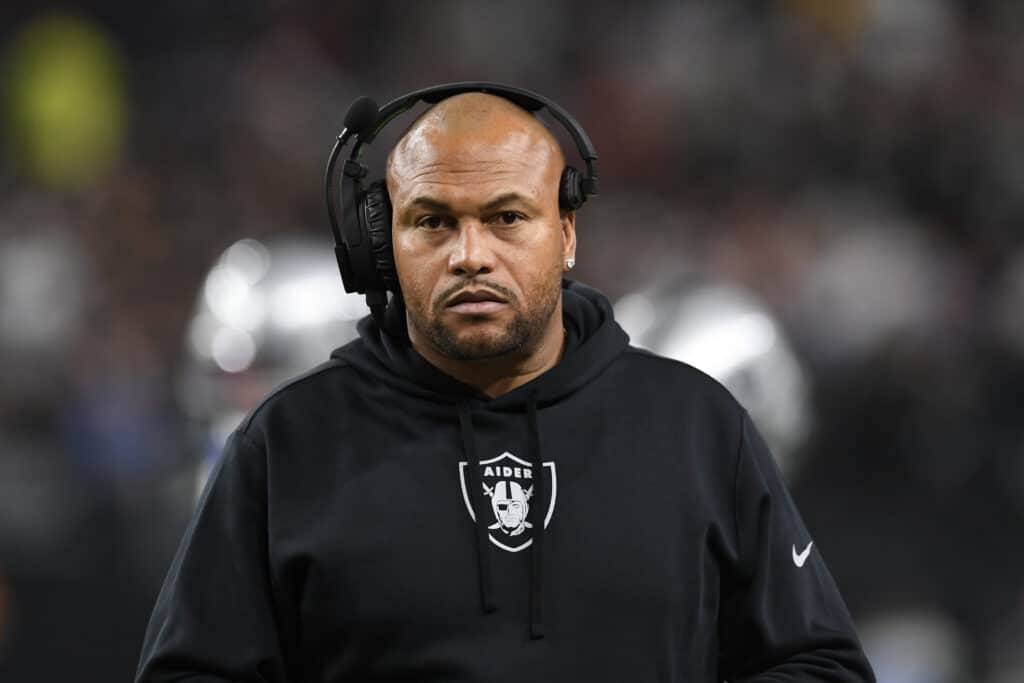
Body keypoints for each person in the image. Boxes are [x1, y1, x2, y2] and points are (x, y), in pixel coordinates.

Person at [136, 85, 875, 682]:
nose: (470, 255)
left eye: (507, 218)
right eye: (432, 221)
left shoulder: (696, 425)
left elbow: (819, 663)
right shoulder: (285, 445)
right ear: (380, 248)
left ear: (568, 234)